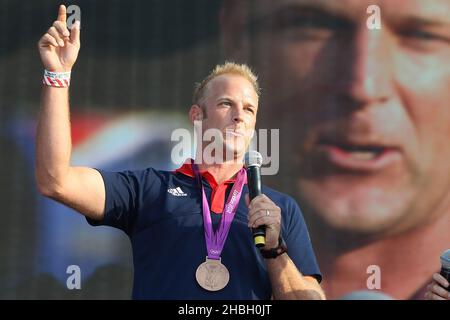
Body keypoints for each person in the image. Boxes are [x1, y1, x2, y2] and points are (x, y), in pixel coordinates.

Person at [35, 5, 324, 300]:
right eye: (226, 104)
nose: (240, 116)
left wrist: (275, 251)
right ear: (197, 116)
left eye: (249, 109)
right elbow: (55, 181)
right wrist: (57, 75)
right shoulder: (149, 190)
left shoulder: (277, 209)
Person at [220, 0, 450, 299]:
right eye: (313, 25)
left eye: (421, 35)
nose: (363, 86)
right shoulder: (166, 221)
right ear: (238, 38)